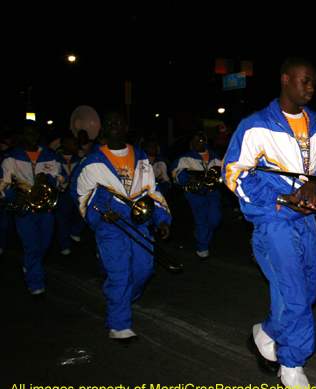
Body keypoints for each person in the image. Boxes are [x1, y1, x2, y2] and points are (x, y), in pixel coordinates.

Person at [223, 58, 316, 389]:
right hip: (272, 221)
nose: (311, 87)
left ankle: (264, 333)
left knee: (306, 294)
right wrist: (282, 197)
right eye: (305, 81)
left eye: (314, 82)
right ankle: (292, 368)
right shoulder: (255, 125)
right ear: (286, 79)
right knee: (295, 295)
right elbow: (234, 173)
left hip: (306, 221)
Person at [71, 111, 171, 343]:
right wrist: (98, 215)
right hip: (111, 224)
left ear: (125, 126)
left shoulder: (141, 156)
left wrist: (162, 218)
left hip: (139, 222)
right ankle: (119, 324)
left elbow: (152, 192)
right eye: (109, 122)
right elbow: (81, 195)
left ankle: (121, 301)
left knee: (144, 270)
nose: (114, 124)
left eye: (118, 121)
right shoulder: (92, 161)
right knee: (119, 274)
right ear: (103, 129)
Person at [0, 120, 64, 300]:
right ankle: (36, 283)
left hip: (46, 209)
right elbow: (2, 186)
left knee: (43, 244)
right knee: (32, 246)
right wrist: (15, 196)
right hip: (25, 209)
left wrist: (49, 180)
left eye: (34, 133)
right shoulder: (11, 158)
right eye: (28, 133)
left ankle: (30, 264)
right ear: (21, 136)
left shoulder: (50, 156)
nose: (32, 137)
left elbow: (64, 181)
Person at [171, 132, 223, 259]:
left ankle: (201, 234)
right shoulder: (185, 158)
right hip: (196, 193)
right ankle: (202, 247)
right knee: (202, 220)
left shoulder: (215, 157)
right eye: (194, 141)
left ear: (205, 142)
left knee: (216, 219)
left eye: (199, 140)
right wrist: (187, 179)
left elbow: (222, 172)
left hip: (213, 192)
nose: (196, 143)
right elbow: (175, 173)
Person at [54, 134, 86, 255]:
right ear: (66, 145)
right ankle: (65, 244)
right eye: (74, 144)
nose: (76, 146)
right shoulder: (55, 159)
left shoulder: (78, 159)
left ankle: (75, 232)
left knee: (81, 214)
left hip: (76, 192)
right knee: (63, 220)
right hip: (62, 194)